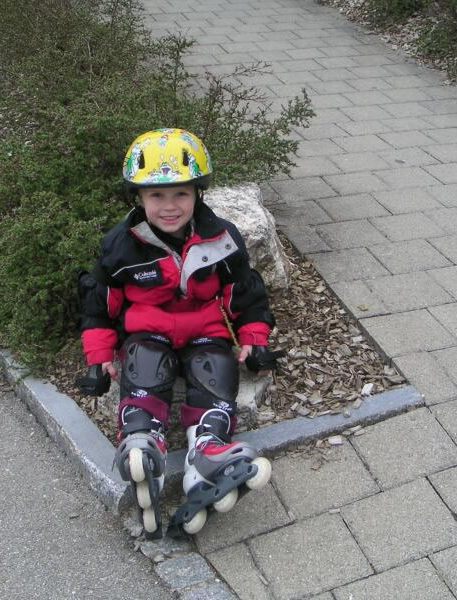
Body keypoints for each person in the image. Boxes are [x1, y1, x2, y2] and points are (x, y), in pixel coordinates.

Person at [79, 128, 281, 538]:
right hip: (148, 332)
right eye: (157, 195)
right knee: (144, 361)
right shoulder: (121, 245)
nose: (169, 206)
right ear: (138, 197)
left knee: (216, 365)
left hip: (205, 330)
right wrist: (99, 356)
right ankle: (142, 441)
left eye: (181, 194)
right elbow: (100, 304)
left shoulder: (221, 239)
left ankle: (207, 449)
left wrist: (254, 338)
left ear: (197, 194)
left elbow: (244, 292)